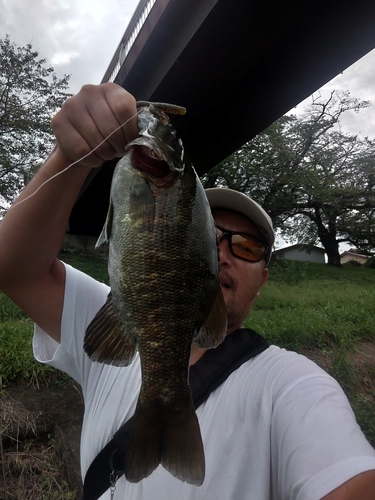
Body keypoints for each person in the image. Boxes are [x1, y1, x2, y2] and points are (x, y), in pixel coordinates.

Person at [0, 82, 374, 500]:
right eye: (213, 234)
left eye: (248, 247)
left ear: (265, 278)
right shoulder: (109, 310)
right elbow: (13, 268)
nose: (226, 253)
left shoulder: (291, 386)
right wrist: (70, 156)